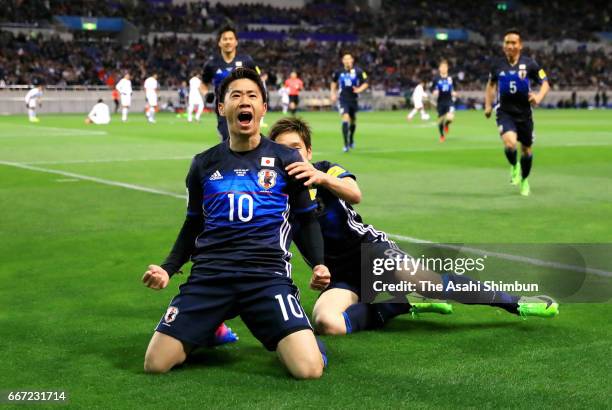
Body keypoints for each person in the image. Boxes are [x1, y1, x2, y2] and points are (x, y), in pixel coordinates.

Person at [269, 117, 559, 336]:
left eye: (296, 148)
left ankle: (513, 302)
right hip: (339, 276)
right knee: (326, 322)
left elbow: (355, 193)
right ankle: (401, 303)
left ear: (308, 151)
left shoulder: (326, 168)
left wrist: (320, 178)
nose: (291, 156)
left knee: (428, 281)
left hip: (372, 252)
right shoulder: (272, 198)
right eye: (283, 151)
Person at [142, 68, 329, 379]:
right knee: (155, 363)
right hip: (211, 277)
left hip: (266, 277)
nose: (245, 101)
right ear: (222, 107)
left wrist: (319, 264)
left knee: (308, 369)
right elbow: (193, 224)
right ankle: (207, 328)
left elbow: (306, 219)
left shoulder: (287, 159)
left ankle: (302, 337)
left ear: (263, 109)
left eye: (252, 96)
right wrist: (168, 267)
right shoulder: (203, 164)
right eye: (236, 96)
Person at [485, 29, 550, 196]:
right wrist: (488, 105)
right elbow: (491, 85)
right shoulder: (497, 65)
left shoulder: (531, 64)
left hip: (524, 114)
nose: (510, 45)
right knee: (510, 143)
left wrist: (538, 97)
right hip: (504, 112)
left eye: (513, 42)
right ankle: (514, 165)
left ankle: (524, 179)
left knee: (527, 150)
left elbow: (545, 83)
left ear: (520, 45)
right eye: (507, 42)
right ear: (503, 46)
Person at [202, 26, 260, 141]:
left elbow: (257, 81)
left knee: (248, 140)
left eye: (231, 38)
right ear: (219, 42)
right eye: (225, 39)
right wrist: (206, 94)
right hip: (224, 109)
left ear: (236, 42)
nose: (228, 41)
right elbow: (203, 84)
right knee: (227, 140)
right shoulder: (211, 64)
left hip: (245, 106)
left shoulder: (246, 61)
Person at [330, 53, 368, 152]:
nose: (347, 60)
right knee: (345, 118)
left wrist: (359, 90)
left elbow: (366, 83)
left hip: (354, 99)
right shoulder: (338, 72)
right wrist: (333, 94)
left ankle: (351, 138)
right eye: (345, 59)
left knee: (353, 121)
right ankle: (346, 144)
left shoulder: (359, 71)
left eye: (349, 59)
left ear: (352, 60)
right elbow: (333, 82)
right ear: (343, 61)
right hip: (343, 99)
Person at [431, 60, 457, 142]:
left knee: (450, 117)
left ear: (447, 68)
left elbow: (453, 88)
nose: (444, 68)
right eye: (442, 67)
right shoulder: (436, 78)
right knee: (440, 120)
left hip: (449, 101)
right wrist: (434, 92)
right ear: (439, 68)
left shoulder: (450, 78)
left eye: (445, 67)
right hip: (440, 102)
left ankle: (447, 124)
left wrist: (454, 92)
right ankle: (442, 135)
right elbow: (432, 88)